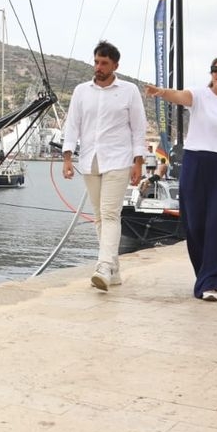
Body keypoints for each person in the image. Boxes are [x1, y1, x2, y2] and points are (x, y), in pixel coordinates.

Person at [145, 55, 217, 302]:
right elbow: (179, 96)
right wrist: (160, 91)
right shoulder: (200, 95)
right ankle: (204, 275)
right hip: (196, 162)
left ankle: (211, 282)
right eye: (214, 69)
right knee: (194, 223)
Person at [62, 41, 147, 291]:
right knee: (99, 216)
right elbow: (72, 125)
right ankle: (115, 270)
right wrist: (67, 158)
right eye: (96, 61)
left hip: (119, 159)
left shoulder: (129, 91)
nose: (98, 67)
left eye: (104, 63)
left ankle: (103, 266)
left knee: (110, 214)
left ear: (115, 66)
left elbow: (138, 128)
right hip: (90, 159)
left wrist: (138, 163)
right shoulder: (81, 91)